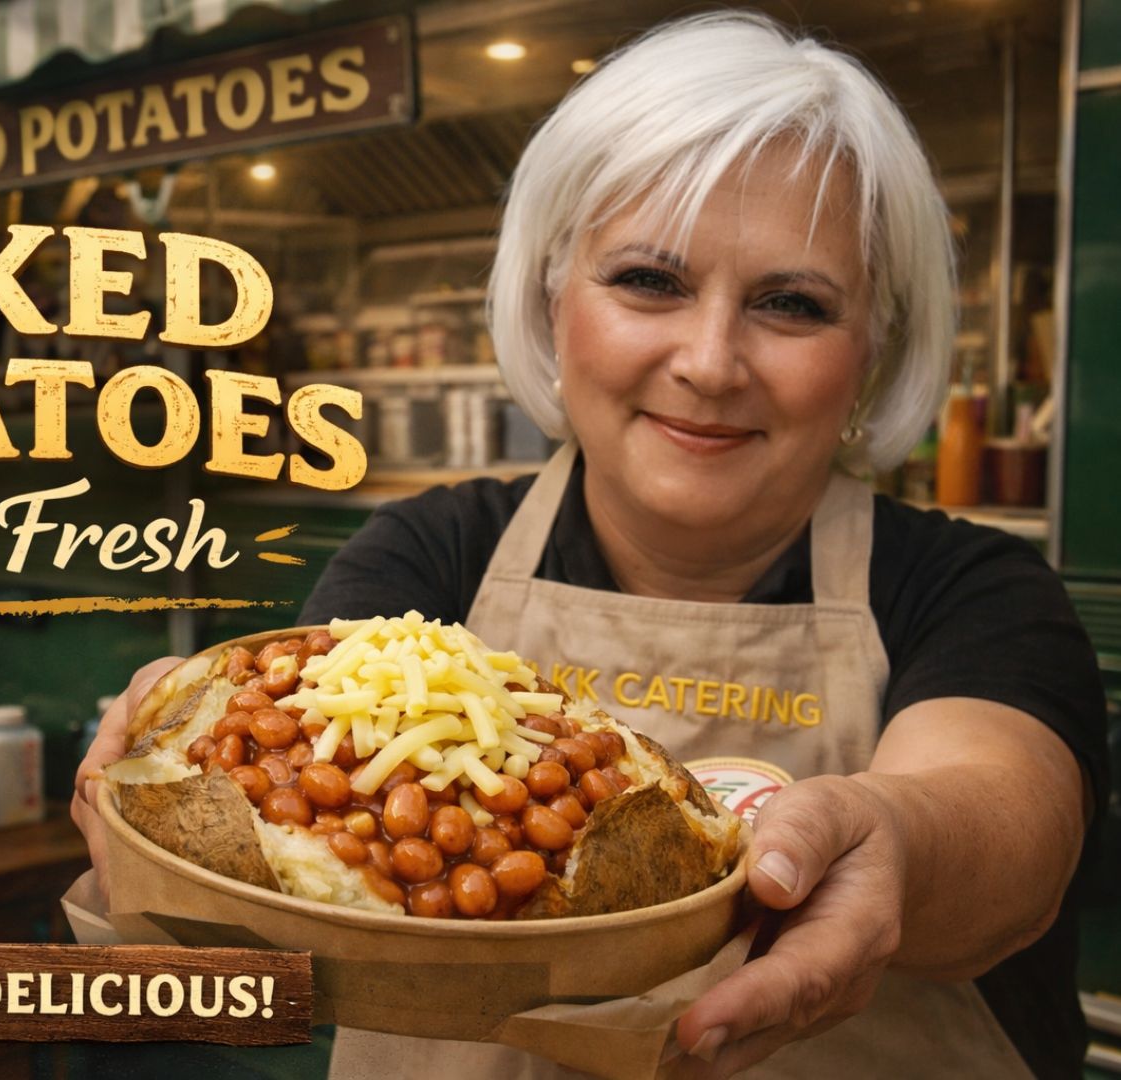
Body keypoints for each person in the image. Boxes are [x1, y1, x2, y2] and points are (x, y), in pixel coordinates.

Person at [75, 12, 1108, 1078]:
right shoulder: (427, 554)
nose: (710, 362)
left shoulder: (971, 588)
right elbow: (286, 809)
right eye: (649, 282)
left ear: (873, 352)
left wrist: (891, 835)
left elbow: (1007, 826)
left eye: (791, 304)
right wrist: (176, 759)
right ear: (550, 296)